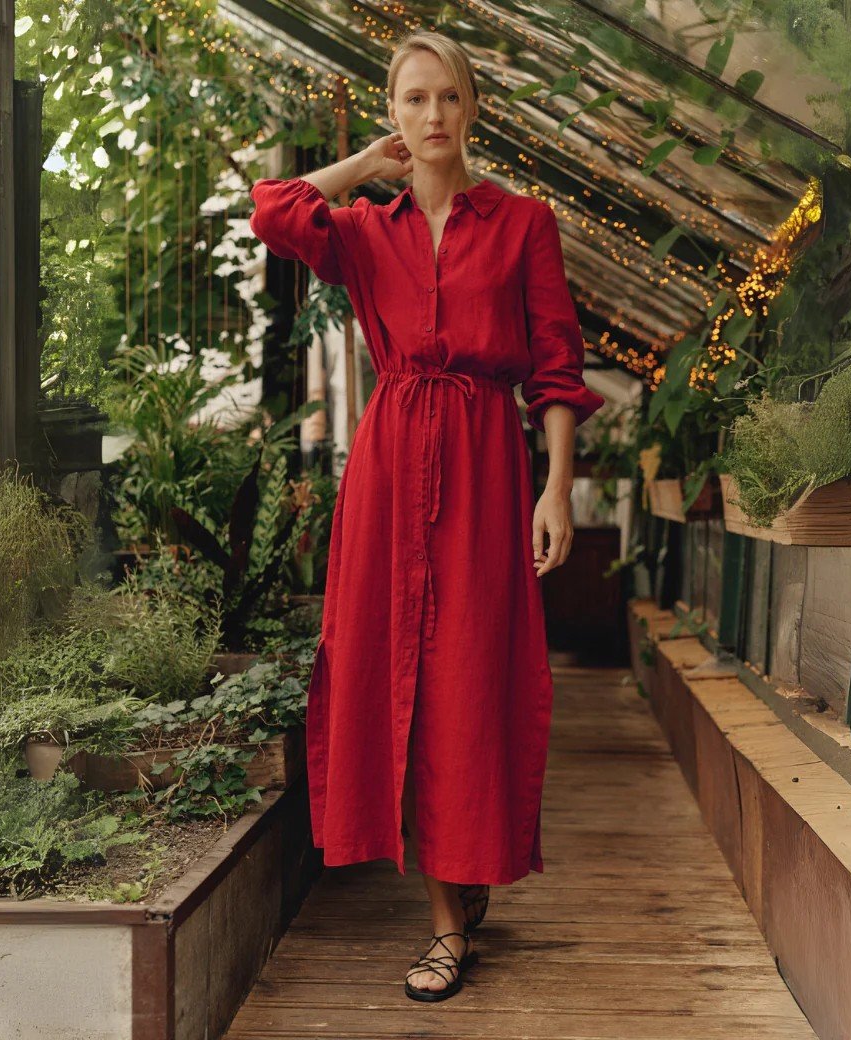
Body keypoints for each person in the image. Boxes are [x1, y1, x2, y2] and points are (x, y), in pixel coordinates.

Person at [249, 28, 605, 1002]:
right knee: (393, 671)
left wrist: (555, 488)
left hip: (486, 468)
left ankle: (467, 868)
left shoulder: (524, 223)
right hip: (389, 469)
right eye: (414, 99)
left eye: (447, 96)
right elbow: (273, 210)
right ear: (394, 114)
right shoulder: (368, 230)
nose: (433, 115)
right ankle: (446, 924)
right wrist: (363, 166)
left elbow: (555, 368)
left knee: (468, 680)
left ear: (473, 107)